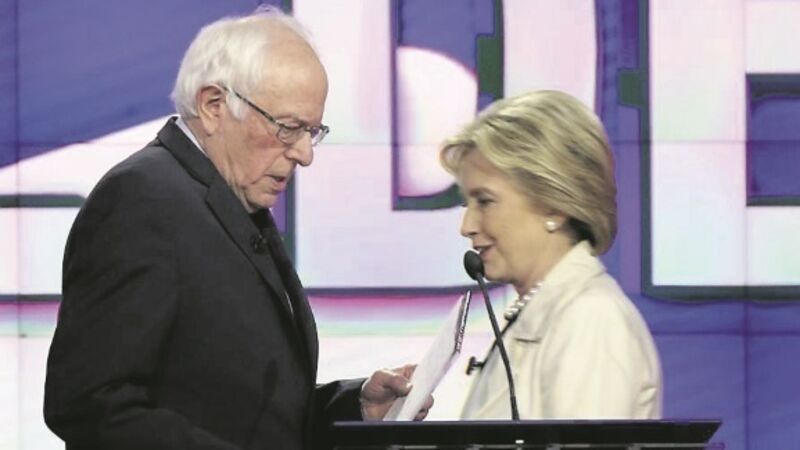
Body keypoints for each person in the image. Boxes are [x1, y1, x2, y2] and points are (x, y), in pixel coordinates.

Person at [44, 7, 430, 450]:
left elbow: (246, 408)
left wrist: (356, 408)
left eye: (312, 131)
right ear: (213, 106)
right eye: (288, 128)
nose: (305, 154)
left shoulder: (228, 200)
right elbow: (89, 404)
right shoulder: (141, 200)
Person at [440, 90, 662, 419]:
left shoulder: (590, 319)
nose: (467, 226)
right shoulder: (546, 312)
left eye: (485, 201)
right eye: (466, 204)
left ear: (554, 206)